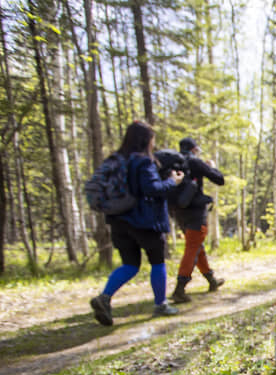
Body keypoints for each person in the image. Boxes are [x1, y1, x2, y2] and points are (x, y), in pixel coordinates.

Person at [90, 121, 185, 326]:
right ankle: (160, 304)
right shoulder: (143, 162)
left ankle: (104, 297)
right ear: (146, 140)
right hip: (145, 221)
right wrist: (173, 182)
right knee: (157, 262)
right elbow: (153, 189)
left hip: (118, 221)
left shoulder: (116, 160)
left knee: (130, 265)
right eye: (152, 138)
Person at [169, 136, 226, 303]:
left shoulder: (173, 163)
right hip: (195, 213)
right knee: (192, 247)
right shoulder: (194, 161)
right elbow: (219, 179)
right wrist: (212, 168)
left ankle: (211, 280)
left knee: (196, 246)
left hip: (178, 213)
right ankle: (180, 289)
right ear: (194, 149)